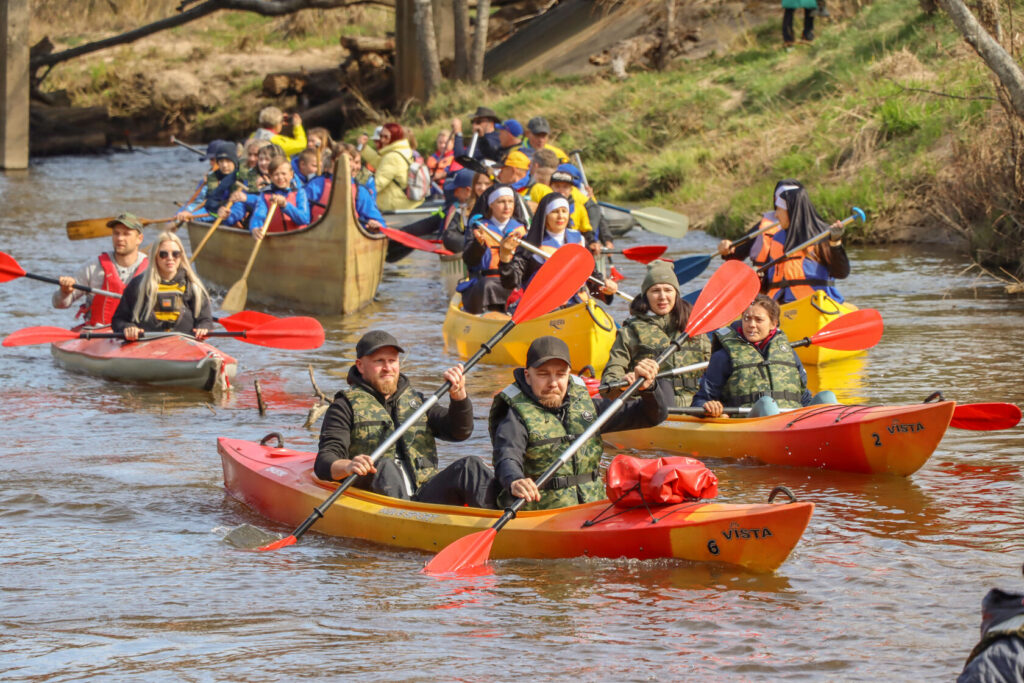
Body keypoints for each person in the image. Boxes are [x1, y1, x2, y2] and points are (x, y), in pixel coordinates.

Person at [313, 330, 498, 508]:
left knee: (470, 466)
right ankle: (406, 523)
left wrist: (459, 398)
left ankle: (497, 522)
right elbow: (325, 462)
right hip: (378, 499)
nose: (387, 368)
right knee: (385, 466)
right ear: (360, 365)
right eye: (379, 361)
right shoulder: (344, 406)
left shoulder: (417, 402)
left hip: (424, 493)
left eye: (392, 361)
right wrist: (349, 466)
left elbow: (459, 432)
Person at [489, 336, 670, 510]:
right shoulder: (515, 416)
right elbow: (507, 456)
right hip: (542, 511)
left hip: (592, 508)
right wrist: (515, 480)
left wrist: (648, 389)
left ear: (569, 375)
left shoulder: (588, 408)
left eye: (560, 375)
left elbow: (652, 416)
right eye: (543, 374)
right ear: (528, 376)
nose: (553, 383)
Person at [691, 294, 835, 418]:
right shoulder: (723, 357)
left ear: (773, 324)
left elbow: (803, 397)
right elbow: (699, 401)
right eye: (747, 319)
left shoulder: (788, 353)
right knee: (767, 403)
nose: (751, 325)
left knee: (827, 397)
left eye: (758, 320)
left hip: (792, 423)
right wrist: (708, 406)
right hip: (750, 424)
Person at [718, 180, 848, 303]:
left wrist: (835, 243)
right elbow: (771, 283)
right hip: (782, 307)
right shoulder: (778, 238)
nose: (775, 215)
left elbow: (841, 272)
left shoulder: (823, 235)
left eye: (779, 210)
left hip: (816, 303)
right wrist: (755, 279)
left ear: (791, 212)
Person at [601, 261, 712, 406]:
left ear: (676, 294)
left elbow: (715, 373)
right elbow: (609, 381)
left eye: (668, 290)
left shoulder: (695, 329)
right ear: (646, 295)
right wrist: (623, 381)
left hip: (695, 408)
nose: (662, 296)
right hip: (650, 409)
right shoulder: (629, 332)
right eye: (655, 290)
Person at [498, 192, 617, 305]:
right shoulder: (529, 244)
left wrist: (605, 287)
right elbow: (510, 282)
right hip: (543, 306)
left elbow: (592, 279)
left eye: (564, 211)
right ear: (545, 216)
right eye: (555, 211)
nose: (560, 216)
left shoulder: (579, 239)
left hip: (578, 303)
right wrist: (504, 256)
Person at [111, 231, 213, 342]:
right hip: (146, 346)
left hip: (184, 346)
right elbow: (119, 320)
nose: (170, 258)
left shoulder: (194, 287)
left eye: (175, 254)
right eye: (163, 254)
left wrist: (203, 328)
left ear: (181, 256)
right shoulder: (138, 285)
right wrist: (127, 327)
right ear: (155, 257)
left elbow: (206, 320)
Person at [52, 213, 148, 327]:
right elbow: (59, 304)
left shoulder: (151, 268)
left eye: (126, 234)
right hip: (98, 335)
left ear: (139, 239)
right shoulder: (93, 267)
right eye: (116, 233)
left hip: (139, 335)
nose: (120, 238)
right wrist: (64, 292)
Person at [459, 185, 528, 314]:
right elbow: (469, 261)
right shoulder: (479, 228)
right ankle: (487, 316)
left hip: (513, 281)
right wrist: (478, 244)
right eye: (501, 202)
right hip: (484, 280)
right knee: (488, 285)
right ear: (491, 204)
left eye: (510, 202)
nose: (507, 207)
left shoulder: (522, 230)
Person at [355, 122, 424, 212]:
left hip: (397, 206)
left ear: (395, 137)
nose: (382, 140)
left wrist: (355, 191)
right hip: (409, 202)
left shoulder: (392, 157)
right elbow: (380, 162)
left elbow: (377, 184)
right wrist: (364, 148)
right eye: (381, 136)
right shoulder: (402, 150)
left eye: (386, 137)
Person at [248, 157, 311, 238]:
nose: (280, 178)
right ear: (270, 176)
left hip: (297, 240)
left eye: (283, 174)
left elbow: (304, 219)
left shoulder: (299, 192)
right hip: (275, 242)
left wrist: (285, 205)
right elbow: (259, 215)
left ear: (291, 174)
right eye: (276, 174)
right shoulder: (265, 195)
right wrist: (255, 227)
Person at [548, 167, 599, 252]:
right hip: (550, 246)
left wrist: (592, 242)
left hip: (572, 246)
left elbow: (586, 230)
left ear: (571, 189)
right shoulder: (544, 206)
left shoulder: (579, 208)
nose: (561, 191)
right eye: (557, 186)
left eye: (565, 187)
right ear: (550, 187)